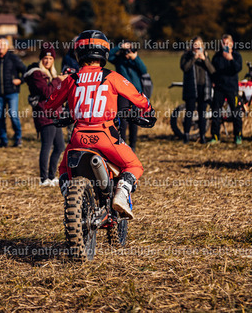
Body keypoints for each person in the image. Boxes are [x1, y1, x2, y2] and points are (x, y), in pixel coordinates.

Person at [44, 30, 154, 219]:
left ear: (78, 53)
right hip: (106, 136)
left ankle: (70, 199)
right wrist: (148, 110)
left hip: (78, 137)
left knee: (63, 170)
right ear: (104, 52)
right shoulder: (111, 76)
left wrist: (62, 114)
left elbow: (49, 104)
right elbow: (138, 98)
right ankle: (121, 194)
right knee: (134, 165)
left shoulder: (72, 79)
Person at [24, 42, 67, 186]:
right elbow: (47, 92)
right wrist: (57, 80)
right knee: (47, 146)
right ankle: (43, 179)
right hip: (44, 114)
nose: (47, 61)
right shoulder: (36, 74)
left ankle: (51, 176)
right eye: (45, 58)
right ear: (41, 59)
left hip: (54, 115)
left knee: (60, 146)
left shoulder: (51, 75)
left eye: (50, 59)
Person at [0, 38, 27, 147]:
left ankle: (18, 138)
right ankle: (3, 140)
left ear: (7, 47)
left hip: (12, 92)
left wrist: (20, 80)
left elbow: (26, 72)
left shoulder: (14, 59)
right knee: (0, 117)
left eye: (3, 45)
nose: (0, 47)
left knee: (13, 115)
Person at [108, 40, 148, 151]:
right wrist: (119, 47)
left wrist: (135, 58)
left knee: (134, 119)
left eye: (129, 50)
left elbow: (144, 70)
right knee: (123, 119)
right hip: (122, 93)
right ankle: (123, 144)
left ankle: (133, 144)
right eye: (126, 50)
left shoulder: (135, 61)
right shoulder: (118, 60)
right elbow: (108, 55)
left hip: (135, 93)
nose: (127, 53)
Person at [180, 36, 215, 143]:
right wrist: (194, 58)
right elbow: (185, 68)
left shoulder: (206, 56)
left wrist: (205, 60)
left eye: (199, 45)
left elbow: (212, 71)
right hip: (191, 88)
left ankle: (202, 136)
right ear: (192, 46)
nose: (197, 47)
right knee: (189, 111)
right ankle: (186, 135)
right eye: (195, 45)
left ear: (202, 46)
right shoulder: (186, 56)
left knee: (202, 113)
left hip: (204, 88)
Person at [210, 34, 243, 145]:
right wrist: (213, 81)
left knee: (236, 113)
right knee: (215, 112)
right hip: (219, 88)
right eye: (223, 43)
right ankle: (215, 137)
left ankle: (238, 136)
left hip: (232, 88)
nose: (225, 45)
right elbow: (213, 71)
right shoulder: (217, 56)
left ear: (232, 44)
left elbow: (238, 68)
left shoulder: (236, 56)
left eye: (227, 43)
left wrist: (231, 59)